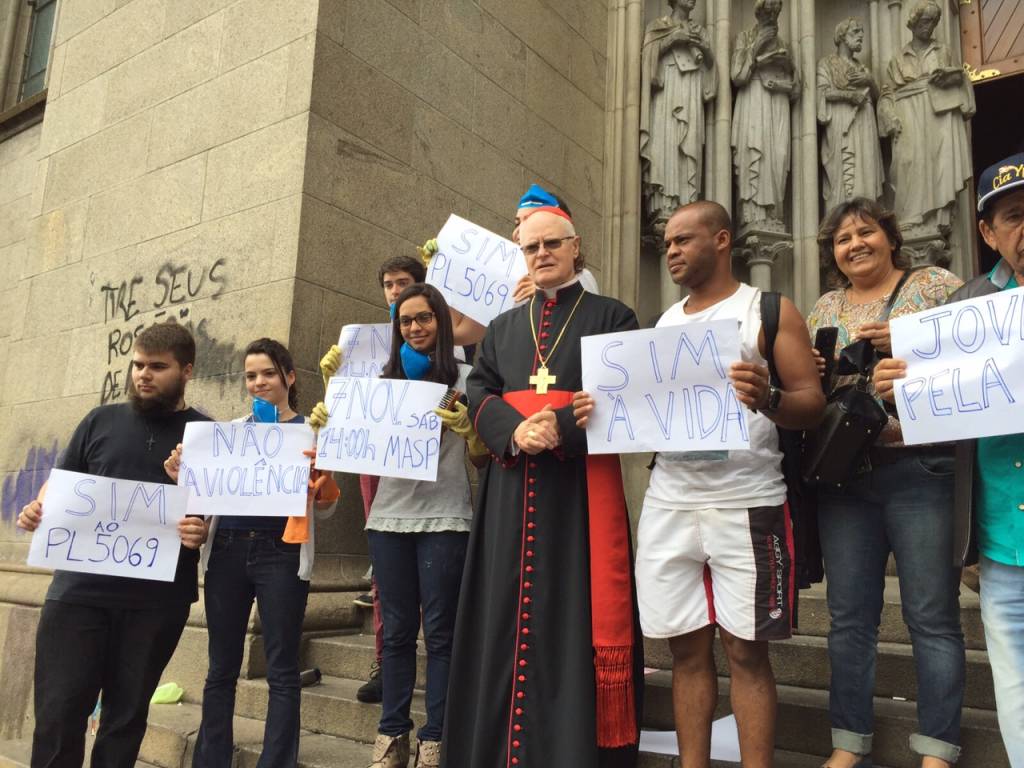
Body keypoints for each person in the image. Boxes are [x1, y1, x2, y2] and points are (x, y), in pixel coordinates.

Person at [576, 201, 823, 768]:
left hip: (748, 500)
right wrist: (602, 408)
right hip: (671, 498)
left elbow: (813, 403)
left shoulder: (768, 310)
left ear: (722, 239)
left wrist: (771, 398)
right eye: (666, 244)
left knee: (745, 651)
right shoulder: (665, 325)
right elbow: (643, 411)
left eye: (684, 240)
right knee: (684, 651)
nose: (671, 252)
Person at [442, 207, 642, 767]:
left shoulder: (613, 317)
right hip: (509, 497)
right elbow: (479, 391)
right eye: (531, 249)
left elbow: (623, 396)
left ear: (575, 247)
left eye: (552, 244)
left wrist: (560, 425)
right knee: (503, 617)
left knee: (568, 616)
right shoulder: (505, 326)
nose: (542, 254)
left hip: (577, 495)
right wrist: (513, 428)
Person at [874, 155, 1024, 767]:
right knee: (1014, 686)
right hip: (1000, 540)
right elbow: (944, 420)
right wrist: (905, 393)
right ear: (988, 233)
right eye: (1013, 217)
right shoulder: (965, 308)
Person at [808, 198, 965, 768]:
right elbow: (810, 391)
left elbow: (978, 363)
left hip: (921, 468)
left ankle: (938, 750)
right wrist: (816, 370)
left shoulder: (935, 287)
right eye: (842, 239)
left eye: (865, 232)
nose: (854, 245)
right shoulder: (824, 306)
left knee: (931, 615)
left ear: (891, 238)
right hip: (847, 478)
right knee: (849, 617)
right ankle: (848, 743)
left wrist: (909, 349)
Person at [16, 321, 212, 768]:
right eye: (138, 365)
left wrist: (199, 528)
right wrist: (37, 510)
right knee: (59, 711)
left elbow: (210, 512)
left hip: (157, 602)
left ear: (187, 371)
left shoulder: (205, 434)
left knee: (125, 718)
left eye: (157, 367)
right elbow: (62, 484)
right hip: (79, 594)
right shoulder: (100, 420)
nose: (143, 374)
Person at [319, 284, 486, 768]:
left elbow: (481, 458)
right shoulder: (376, 383)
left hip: (445, 517)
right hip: (389, 519)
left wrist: (470, 429)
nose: (415, 328)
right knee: (394, 633)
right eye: (406, 321)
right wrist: (331, 406)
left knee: (439, 632)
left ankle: (435, 737)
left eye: (424, 318)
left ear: (443, 322)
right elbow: (345, 450)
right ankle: (392, 733)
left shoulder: (469, 379)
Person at [163, 339, 339, 768]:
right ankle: (211, 760)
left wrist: (322, 477)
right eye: (251, 375)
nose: (259, 382)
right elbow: (201, 499)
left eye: (268, 373)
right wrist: (179, 476)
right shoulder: (229, 432)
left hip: (282, 553)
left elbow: (329, 506)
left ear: (289, 377)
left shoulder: (312, 431)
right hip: (226, 551)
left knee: (281, 668)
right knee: (220, 667)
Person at [877, 0, 974, 234]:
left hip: (937, 113)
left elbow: (961, 80)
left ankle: (935, 217)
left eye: (933, 21)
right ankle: (911, 215)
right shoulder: (898, 58)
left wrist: (950, 77)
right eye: (924, 20)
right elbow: (886, 92)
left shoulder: (943, 51)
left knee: (940, 160)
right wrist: (888, 114)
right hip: (906, 113)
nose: (928, 26)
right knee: (907, 162)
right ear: (913, 22)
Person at [640, 0, 716, 230]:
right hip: (668, 89)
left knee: (689, 143)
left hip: (691, 90)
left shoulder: (700, 31)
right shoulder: (658, 26)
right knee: (668, 141)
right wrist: (672, 40)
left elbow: (712, 71)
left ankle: (687, 199)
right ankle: (666, 200)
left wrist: (703, 49)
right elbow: (648, 59)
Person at [731, 0, 799, 227]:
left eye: (776, 12)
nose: (772, 17)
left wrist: (787, 67)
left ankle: (773, 214)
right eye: (768, 12)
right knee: (754, 152)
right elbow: (738, 76)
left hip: (777, 102)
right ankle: (753, 214)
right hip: (754, 97)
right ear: (759, 13)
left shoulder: (784, 44)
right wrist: (757, 47)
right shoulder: (745, 37)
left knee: (777, 156)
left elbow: (797, 87)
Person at [816, 17, 883, 211]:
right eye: (855, 32)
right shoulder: (826, 64)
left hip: (865, 120)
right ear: (842, 36)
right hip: (841, 120)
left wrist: (870, 81)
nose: (861, 36)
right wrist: (850, 96)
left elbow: (879, 99)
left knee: (865, 169)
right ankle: (841, 217)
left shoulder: (863, 68)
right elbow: (822, 93)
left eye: (862, 32)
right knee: (842, 174)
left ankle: (867, 214)